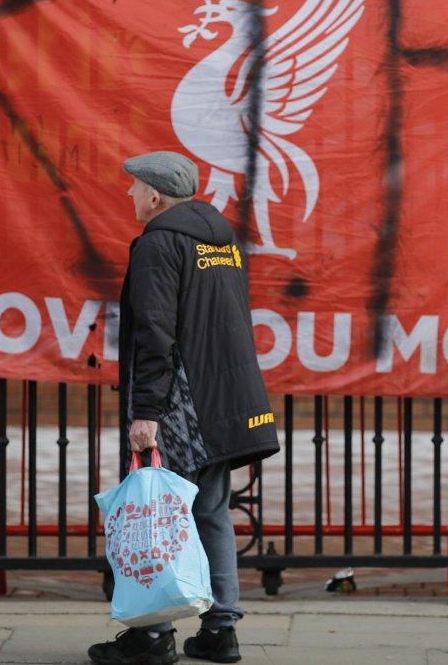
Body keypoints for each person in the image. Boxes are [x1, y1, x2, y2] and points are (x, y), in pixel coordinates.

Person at [89, 151, 280, 665]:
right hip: (222, 397)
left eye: (133, 187)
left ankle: (152, 635)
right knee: (210, 511)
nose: (129, 195)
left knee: (156, 513)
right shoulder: (223, 241)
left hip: (178, 400)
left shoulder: (159, 244)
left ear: (155, 194)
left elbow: (156, 333)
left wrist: (146, 410)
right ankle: (221, 631)